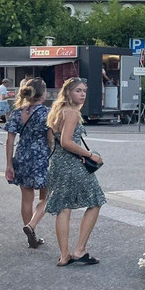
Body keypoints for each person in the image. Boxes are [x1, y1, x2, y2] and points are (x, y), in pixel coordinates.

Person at [45, 77, 105, 267]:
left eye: (84, 91)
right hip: (72, 165)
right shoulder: (71, 112)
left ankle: (64, 255)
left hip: (58, 164)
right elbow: (66, 142)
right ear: (68, 92)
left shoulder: (57, 111)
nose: (83, 94)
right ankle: (80, 250)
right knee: (96, 201)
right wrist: (89, 155)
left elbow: (52, 141)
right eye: (78, 90)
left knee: (63, 208)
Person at [5, 78, 51, 250]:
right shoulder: (46, 113)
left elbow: (10, 141)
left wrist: (9, 164)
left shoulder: (17, 112)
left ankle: (31, 234)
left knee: (26, 198)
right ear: (42, 93)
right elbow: (51, 139)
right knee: (46, 197)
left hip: (22, 156)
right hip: (41, 158)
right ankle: (32, 225)